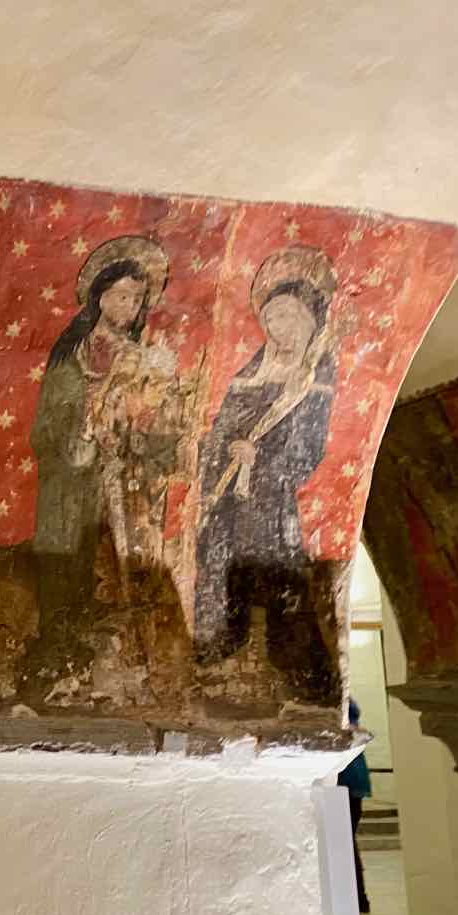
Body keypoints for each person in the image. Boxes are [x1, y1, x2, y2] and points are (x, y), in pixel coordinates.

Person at [195, 246, 337, 700]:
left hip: (271, 503)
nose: (279, 328)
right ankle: (222, 654)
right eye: (271, 319)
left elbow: (309, 449)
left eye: (288, 318)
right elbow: (221, 429)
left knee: (279, 579)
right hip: (230, 501)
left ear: (309, 321)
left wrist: (259, 459)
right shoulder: (250, 374)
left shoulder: (314, 377)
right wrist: (220, 450)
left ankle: (297, 676)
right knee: (222, 571)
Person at [29, 235, 173, 677]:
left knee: (122, 575)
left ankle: (122, 660)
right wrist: (88, 418)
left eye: (137, 298)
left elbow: (158, 428)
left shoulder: (144, 358)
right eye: (121, 295)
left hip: (122, 488)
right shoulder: (72, 355)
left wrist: (144, 422)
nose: (129, 306)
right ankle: (62, 657)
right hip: (73, 487)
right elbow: (46, 429)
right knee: (69, 570)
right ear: (100, 297)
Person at [338, 699, 373, 913]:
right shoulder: (349, 707)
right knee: (346, 842)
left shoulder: (338, 707)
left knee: (342, 842)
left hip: (343, 779)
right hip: (353, 779)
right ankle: (358, 899)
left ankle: (354, 899)